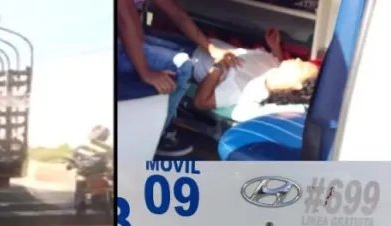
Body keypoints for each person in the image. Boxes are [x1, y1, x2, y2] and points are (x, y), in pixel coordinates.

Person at [117, 0, 241, 157]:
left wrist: (211, 48)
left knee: (187, 49)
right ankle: (160, 134)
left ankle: (156, 120)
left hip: (129, 35)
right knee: (182, 65)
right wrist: (146, 72)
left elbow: (177, 15)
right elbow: (124, 20)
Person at [192, 29, 320, 121]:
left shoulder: (247, 91)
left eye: (302, 67)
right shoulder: (275, 72)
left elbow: (201, 102)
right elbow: (279, 65)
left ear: (296, 84)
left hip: (192, 56)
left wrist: (218, 66)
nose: (299, 60)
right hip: (208, 44)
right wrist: (275, 47)